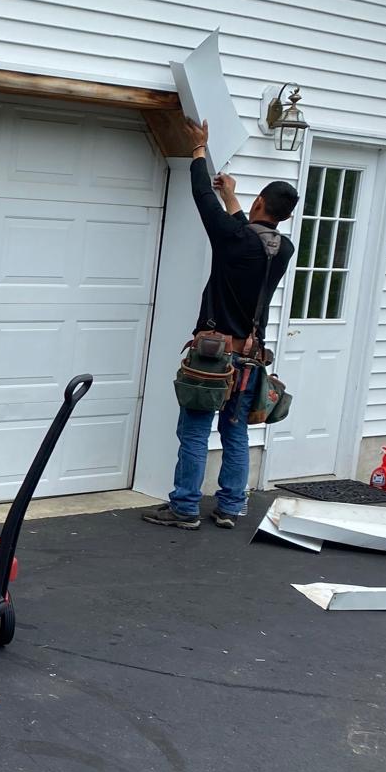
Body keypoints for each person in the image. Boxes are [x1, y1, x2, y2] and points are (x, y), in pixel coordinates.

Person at [143, 119, 298, 532]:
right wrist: (231, 197)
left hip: (214, 357)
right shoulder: (283, 248)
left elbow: (200, 196)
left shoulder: (234, 238)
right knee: (235, 432)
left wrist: (199, 150)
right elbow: (247, 232)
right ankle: (231, 506)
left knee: (194, 432)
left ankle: (185, 508)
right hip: (251, 358)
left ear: (260, 201)